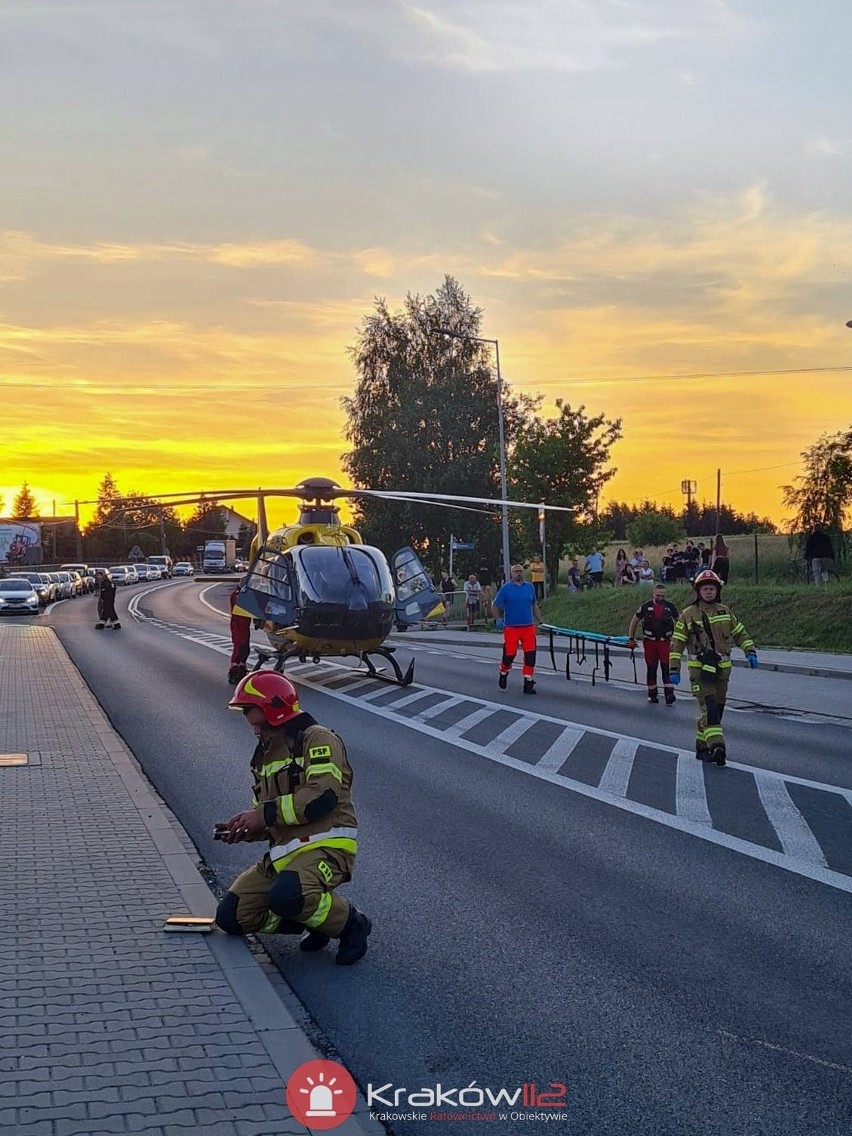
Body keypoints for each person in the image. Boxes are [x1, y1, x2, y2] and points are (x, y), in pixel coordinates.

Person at [214, 671, 370, 965]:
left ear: (272, 708)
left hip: (328, 846)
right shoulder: (263, 756)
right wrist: (244, 829)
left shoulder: (317, 739)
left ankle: (352, 925)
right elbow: (268, 816)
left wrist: (261, 815)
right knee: (232, 916)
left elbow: (321, 798)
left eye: (249, 710)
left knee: (287, 894)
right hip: (285, 855)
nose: (247, 719)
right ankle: (314, 920)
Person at [669, 569, 758, 766]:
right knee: (709, 707)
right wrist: (673, 670)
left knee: (716, 709)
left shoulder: (725, 612)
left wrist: (750, 651)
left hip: (722, 671)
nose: (708, 592)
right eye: (705, 589)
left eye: (712, 589)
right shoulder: (688, 615)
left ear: (717, 591)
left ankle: (701, 747)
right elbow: (677, 644)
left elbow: (740, 633)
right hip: (700, 672)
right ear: (698, 591)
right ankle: (717, 747)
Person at [492, 563, 543, 694]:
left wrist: (541, 621)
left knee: (530, 655)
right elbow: (495, 605)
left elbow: (534, 605)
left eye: (520, 571)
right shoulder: (506, 589)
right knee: (510, 654)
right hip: (511, 627)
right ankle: (503, 671)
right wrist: (498, 619)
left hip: (528, 627)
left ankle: (528, 681)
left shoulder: (529, 587)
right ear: (511, 574)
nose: (518, 573)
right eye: (516, 571)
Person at [626, 583, 679, 704]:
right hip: (650, 642)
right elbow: (635, 621)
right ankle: (652, 694)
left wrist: (679, 639)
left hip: (665, 642)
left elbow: (679, 621)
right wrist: (631, 638)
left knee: (667, 667)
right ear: (653, 594)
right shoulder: (645, 607)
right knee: (651, 668)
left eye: (663, 596)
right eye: (658, 595)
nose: (660, 598)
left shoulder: (670, 607)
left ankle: (669, 693)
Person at [228, 584, 252, 684]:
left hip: (242, 623)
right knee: (239, 647)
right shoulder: (239, 595)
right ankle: (235, 672)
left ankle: (241, 668)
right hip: (239, 623)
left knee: (244, 648)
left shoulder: (239, 594)